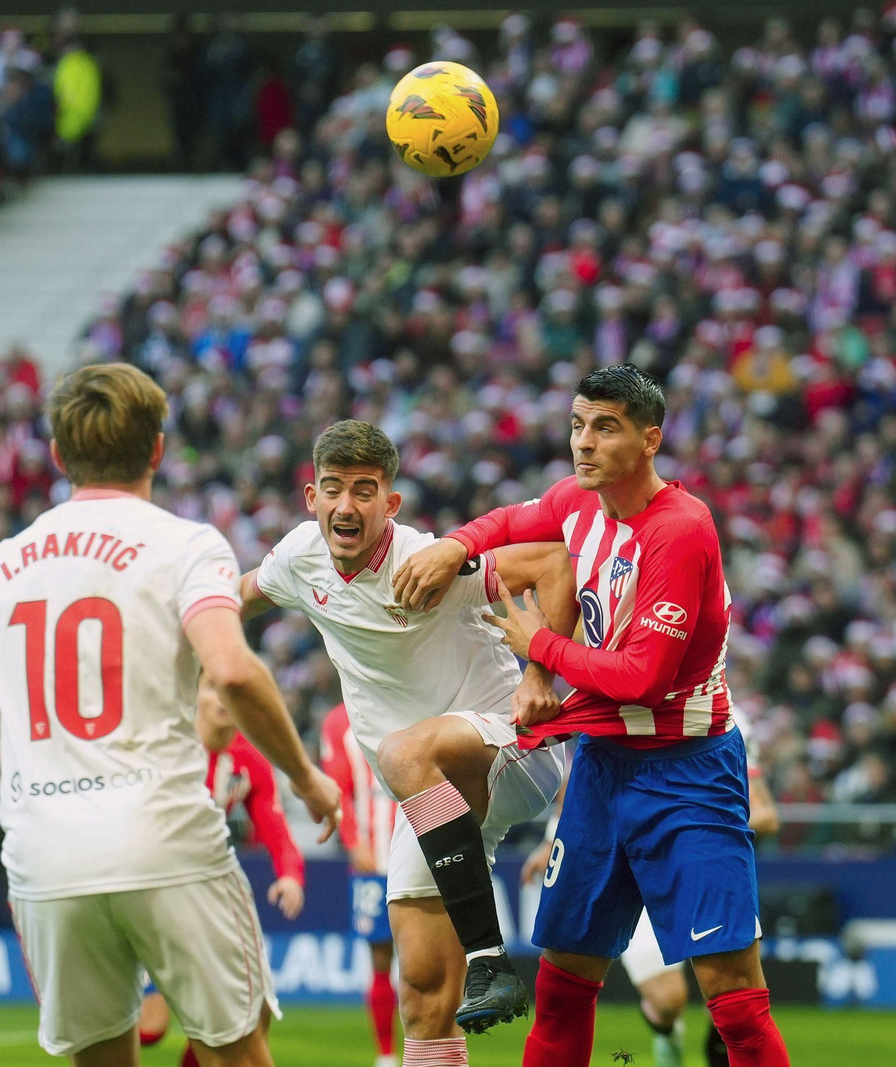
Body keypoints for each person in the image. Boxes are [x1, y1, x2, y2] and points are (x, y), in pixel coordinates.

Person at [0, 362, 342, 1067]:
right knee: (239, 1050)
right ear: (158, 449)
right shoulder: (185, 546)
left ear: (56, 454)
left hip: (45, 855)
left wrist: (20, 766)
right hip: (163, 838)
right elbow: (230, 668)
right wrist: (306, 777)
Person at [393, 365, 790, 1067]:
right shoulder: (578, 502)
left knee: (735, 1006)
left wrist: (537, 647)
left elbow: (644, 678)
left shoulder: (681, 530)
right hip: (602, 774)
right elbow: (509, 522)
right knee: (563, 991)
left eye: (605, 427)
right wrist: (455, 544)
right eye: (578, 424)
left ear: (649, 439)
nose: (584, 442)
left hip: (688, 778)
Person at [238, 419, 575, 1064]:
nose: (346, 505)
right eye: (332, 489)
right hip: (431, 803)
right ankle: (469, 975)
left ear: (389, 504)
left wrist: (540, 673)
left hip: (512, 747)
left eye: (364, 491)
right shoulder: (297, 559)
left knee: (402, 753)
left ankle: (489, 956)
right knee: (422, 995)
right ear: (311, 498)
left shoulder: (428, 563)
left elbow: (553, 562)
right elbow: (241, 598)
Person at [520, 707, 781, 1067]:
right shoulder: (603, 700)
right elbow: (571, 784)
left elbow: (765, 811)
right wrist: (551, 838)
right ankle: (667, 1035)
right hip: (611, 822)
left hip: (688, 825)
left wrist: (697, 822)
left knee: (735, 1003)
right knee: (663, 999)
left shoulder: (723, 715)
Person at [139, 682, 308, 1065]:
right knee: (150, 1029)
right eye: (212, 686)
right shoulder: (163, 746)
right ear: (193, 692)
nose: (222, 697)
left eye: (228, 688)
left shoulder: (248, 760)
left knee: (257, 1008)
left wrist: (290, 875)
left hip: (205, 893)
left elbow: (276, 829)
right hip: (147, 891)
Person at [321, 703, 400, 1067]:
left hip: (421, 848)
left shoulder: (412, 693)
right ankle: (385, 1056)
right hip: (374, 858)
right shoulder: (339, 721)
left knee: (428, 957)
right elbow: (336, 787)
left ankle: (433, 1047)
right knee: (380, 956)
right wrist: (353, 842)